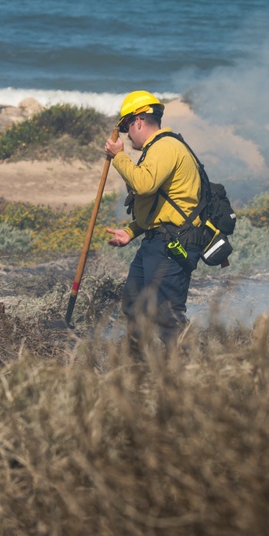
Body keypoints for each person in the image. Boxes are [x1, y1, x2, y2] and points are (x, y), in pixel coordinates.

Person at [104, 90, 201, 346]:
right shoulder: (158, 148)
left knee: (166, 315)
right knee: (134, 306)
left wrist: (119, 157)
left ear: (137, 121)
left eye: (126, 127)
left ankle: (189, 372)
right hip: (156, 241)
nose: (126, 134)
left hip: (172, 242)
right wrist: (132, 231)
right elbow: (158, 204)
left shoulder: (165, 146)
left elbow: (143, 185)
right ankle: (139, 367)